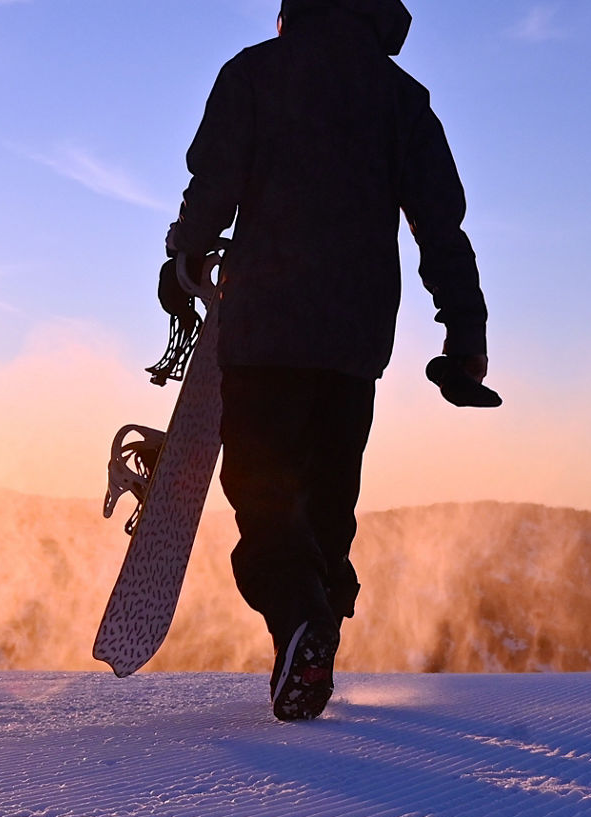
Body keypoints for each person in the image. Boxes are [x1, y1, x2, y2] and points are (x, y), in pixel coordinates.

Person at [165, 0, 490, 721]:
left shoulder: (255, 73)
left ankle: (301, 627)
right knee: (327, 508)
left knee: (266, 496)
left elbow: (213, 183)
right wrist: (465, 335)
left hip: (265, 332)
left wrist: (183, 255)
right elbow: (442, 225)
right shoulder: (401, 98)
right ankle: (313, 650)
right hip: (353, 343)